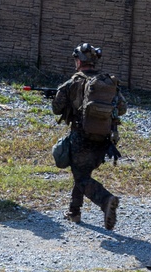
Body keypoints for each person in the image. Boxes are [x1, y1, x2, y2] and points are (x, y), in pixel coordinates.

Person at [52, 43, 127, 230]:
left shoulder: (72, 83)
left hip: (81, 138)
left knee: (81, 178)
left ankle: (106, 200)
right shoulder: (107, 83)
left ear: (79, 61)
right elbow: (123, 109)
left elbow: (56, 108)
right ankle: (74, 212)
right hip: (103, 140)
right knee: (82, 173)